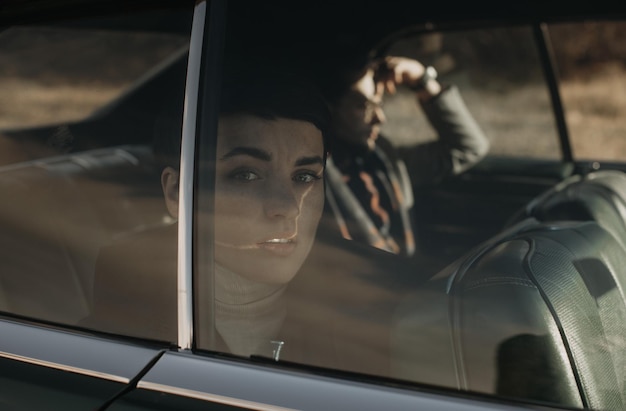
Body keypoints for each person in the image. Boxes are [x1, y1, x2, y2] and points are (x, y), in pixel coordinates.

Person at [81, 66, 330, 359]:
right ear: (177, 192)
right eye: (246, 174)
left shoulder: (379, 316)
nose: (289, 207)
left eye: (304, 177)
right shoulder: (107, 349)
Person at [319, 55, 490, 260]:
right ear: (327, 108)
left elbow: (468, 148)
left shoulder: (384, 160)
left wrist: (422, 81)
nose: (379, 118)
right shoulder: (310, 177)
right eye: (363, 106)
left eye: (379, 104)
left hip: (401, 276)